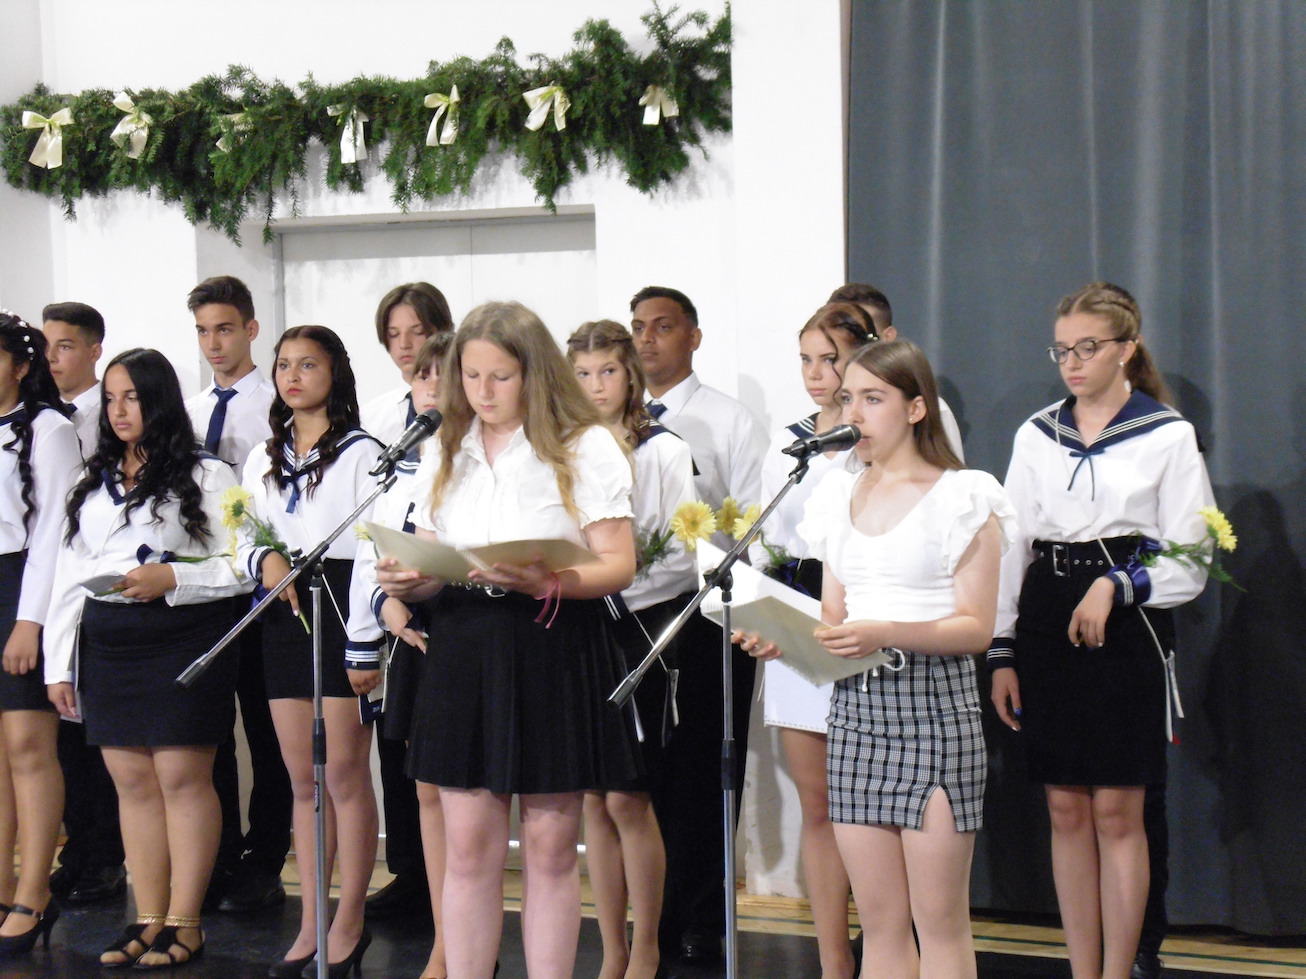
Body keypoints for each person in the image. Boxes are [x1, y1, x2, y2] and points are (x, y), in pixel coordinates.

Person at [376, 301, 640, 979]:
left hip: (551, 637)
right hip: (464, 642)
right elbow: (433, 559)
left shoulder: (583, 443)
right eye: (470, 376)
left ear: (534, 372)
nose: (483, 392)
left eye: (500, 376)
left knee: (550, 848)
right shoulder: (446, 445)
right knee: (467, 849)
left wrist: (547, 579)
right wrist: (408, 579)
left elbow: (618, 563)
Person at [739, 338, 1015, 979]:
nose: (854, 414)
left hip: (935, 710)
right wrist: (782, 639)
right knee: (883, 926)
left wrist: (885, 631)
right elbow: (834, 621)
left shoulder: (963, 495)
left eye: (872, 398)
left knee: (939, 924)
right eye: (847, 399)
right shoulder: (837, 496)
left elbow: (975, 627)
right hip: (856, 718)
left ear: (916, 409)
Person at [987, 283, 1214, 979]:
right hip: (1048, 617)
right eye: (1062, 350)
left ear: (1126, 349)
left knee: (1117, 810)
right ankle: (1082, 969)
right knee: (1064, 807)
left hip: (1125, 622)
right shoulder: (1037, 433)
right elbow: (1011, 546)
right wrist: (1002, 648)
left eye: (1087, 347)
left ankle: (1119, 970)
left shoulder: (1166, 434)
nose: (1072, 363)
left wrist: (1118, 584)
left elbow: (1191, 553)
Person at [44, 348, 251, 968]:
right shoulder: (93, 482)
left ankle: (186, 923)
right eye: (110, 399)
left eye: (132, 397)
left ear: (159, 400)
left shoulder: (208, 475)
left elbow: (243, 566)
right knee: (132, 784)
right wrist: (59, 664)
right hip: (108, 642)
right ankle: (147, 917)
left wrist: (174, 578)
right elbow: (68, 577)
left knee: (182, 780)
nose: (118, 410)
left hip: (180, 637)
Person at [235, 325, 384, 979]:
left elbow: (375, 547)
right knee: (303, 779)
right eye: (284, 365)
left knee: (345, 774)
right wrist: (263, 559)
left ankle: (350, 919)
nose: (293, 377)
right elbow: (239, 531)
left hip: (341, 604)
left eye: (308, 364)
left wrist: (364, 640)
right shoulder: (262, 456)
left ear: (335, 372)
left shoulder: (362, 452)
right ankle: (310, 920)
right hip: (284, 610)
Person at [630, 285, 767, 964]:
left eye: (662, 326)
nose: (647, 339)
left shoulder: (728, 420)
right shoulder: (611, 423)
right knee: (640, 771)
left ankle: (704, 914)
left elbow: (752, 520)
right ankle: (649, 917)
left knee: (704, 767)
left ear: (694, 337)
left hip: (709, 613)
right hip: (631, 612)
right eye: (638, 327)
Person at [568, 319, 697, 979]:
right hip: (578, 629)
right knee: (592, 797)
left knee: (628, 796)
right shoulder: (563, 448)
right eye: (582, 374)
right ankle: (611, 947)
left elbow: (686, 557)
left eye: (608, 372)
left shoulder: (664, 450)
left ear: (631, 376)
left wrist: (620, 579)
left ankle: (647, 943)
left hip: (640, 629)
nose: (596, 386)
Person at [755, 302, 875, 979]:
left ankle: (887, 944)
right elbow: (767, 540)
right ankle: (833, 958)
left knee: (871, 804)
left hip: (864, 621)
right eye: (806, 359)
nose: (817, 373)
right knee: (818, 803)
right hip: (797, 620)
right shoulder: (790, 441)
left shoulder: (877, 438)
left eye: (831, 359)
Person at [183, 275, 292, 915]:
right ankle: (217, 854)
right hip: (204, 590)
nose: (213, 343)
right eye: (203, 331)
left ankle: (265, 858)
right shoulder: (190, 411)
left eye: (224, 329)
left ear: (250, 329)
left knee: (267, 730)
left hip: (262, 588)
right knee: (210, 732)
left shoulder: (276, 405)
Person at [354, 331, 450, 979]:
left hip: (468, 627)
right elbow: (373, 544)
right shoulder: (400, 462)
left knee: (476, 801)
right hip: (414, 631)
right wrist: (385, 603)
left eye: (445, 374)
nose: (431, 388)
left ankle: (473, 945)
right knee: (427, 794)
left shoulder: (485, 459)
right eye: (421, 376)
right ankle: (447, 941)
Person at [39, 301, 128, 908]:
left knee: (104, 740)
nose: (52, 358)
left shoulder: (108, 417)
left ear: (94, 349)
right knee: (63, 736)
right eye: (45, 347)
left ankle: (106, 858)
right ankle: (79, 852)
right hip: (54, 587)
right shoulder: (41, 419)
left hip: (113, 595)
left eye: (66, 346)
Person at [0, 313, 80, 958]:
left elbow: (53, 531)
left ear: (21, 366)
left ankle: (34, 890)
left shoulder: (49, 430)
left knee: (28, 746)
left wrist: (30, 621)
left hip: (23, 587)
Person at [827, 283, 965, 458]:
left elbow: (944, 470)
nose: (849, 351)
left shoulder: (933, 411)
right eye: (847, 399)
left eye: (859, 339)